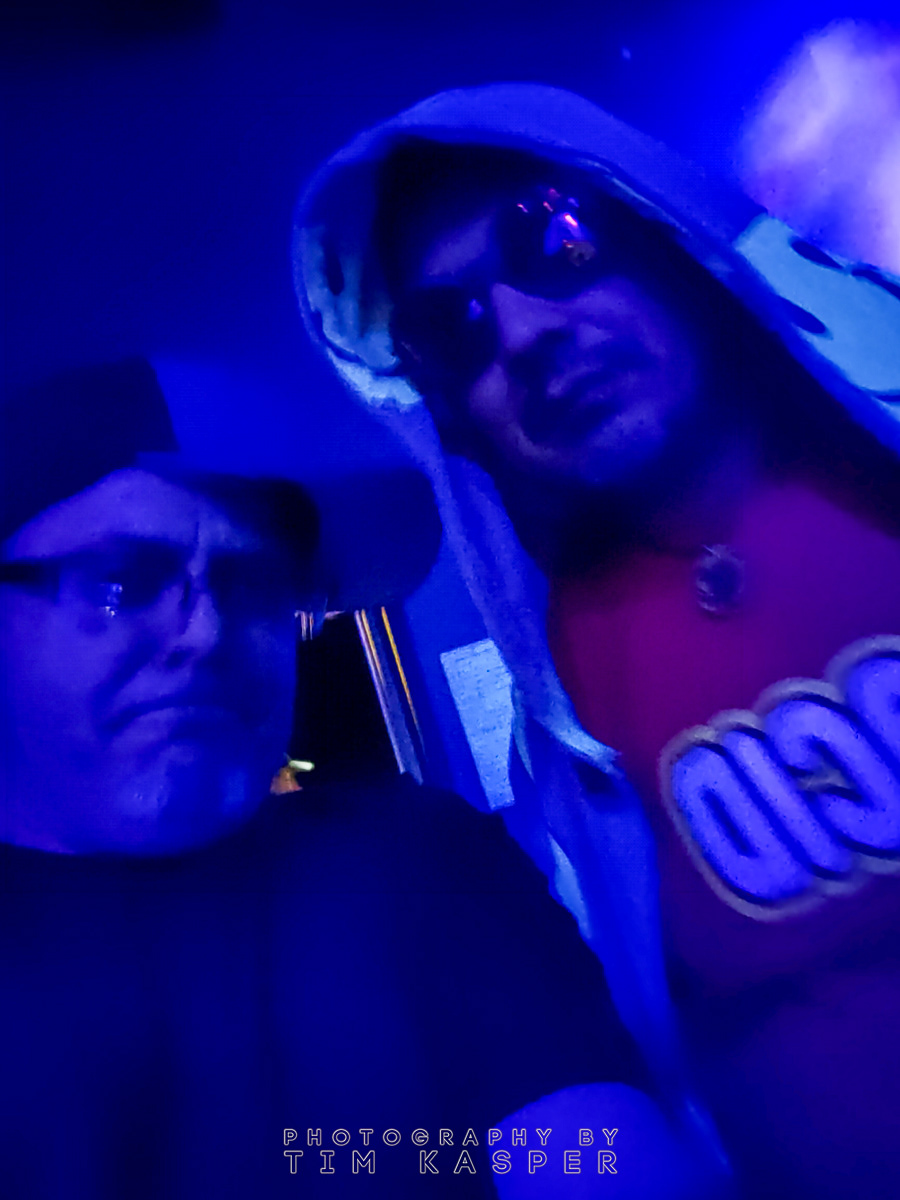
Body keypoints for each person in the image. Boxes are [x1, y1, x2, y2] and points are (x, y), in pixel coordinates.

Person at [294, 83, 900, 1199]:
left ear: (668, 240)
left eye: (556, 238)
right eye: (451, 328)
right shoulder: (566, 713)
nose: (523, 333)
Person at [0, 357, 695, 1199]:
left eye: (255, 585)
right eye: (119, 583)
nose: (208, 632)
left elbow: (593, 1161)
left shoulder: (418, 860)